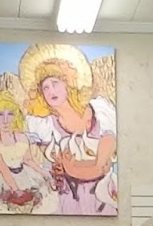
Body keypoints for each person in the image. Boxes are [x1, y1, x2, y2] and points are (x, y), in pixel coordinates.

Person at [20, 43, 117, 215]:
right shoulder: (45, 126)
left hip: (103, 197)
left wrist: (76, 167)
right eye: (45, 87)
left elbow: (102, 165)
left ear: (68, 83)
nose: (51, 91)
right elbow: (61, 168)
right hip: (70, 200)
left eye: (55, 83)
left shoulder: (101, 111)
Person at [0, 94, 55, 213]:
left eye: (10, 114)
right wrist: (16, 189)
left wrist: (46, 174)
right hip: (3, 179)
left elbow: (28, 160)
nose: (5, 120)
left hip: (25, 174)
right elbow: (2, 168)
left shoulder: (22, 137)